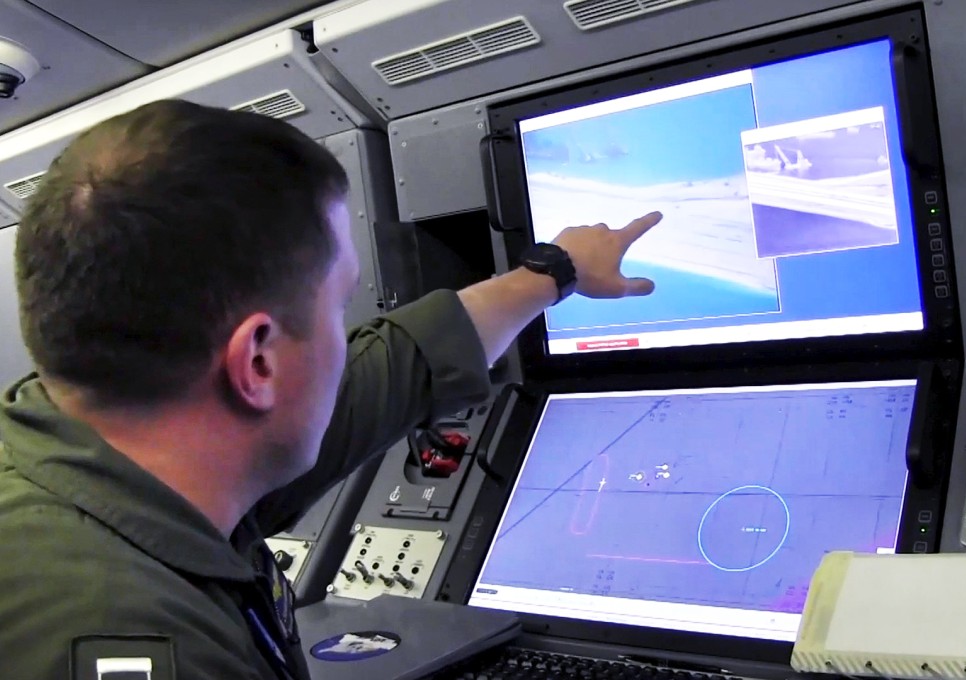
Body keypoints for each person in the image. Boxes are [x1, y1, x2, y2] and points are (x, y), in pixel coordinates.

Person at [0, 99, 662, 679]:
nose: (342, 344)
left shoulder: (114, 442)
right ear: (257, 364)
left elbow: (402, 365)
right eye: (336, 307)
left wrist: (557, 270)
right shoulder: (127, 633)